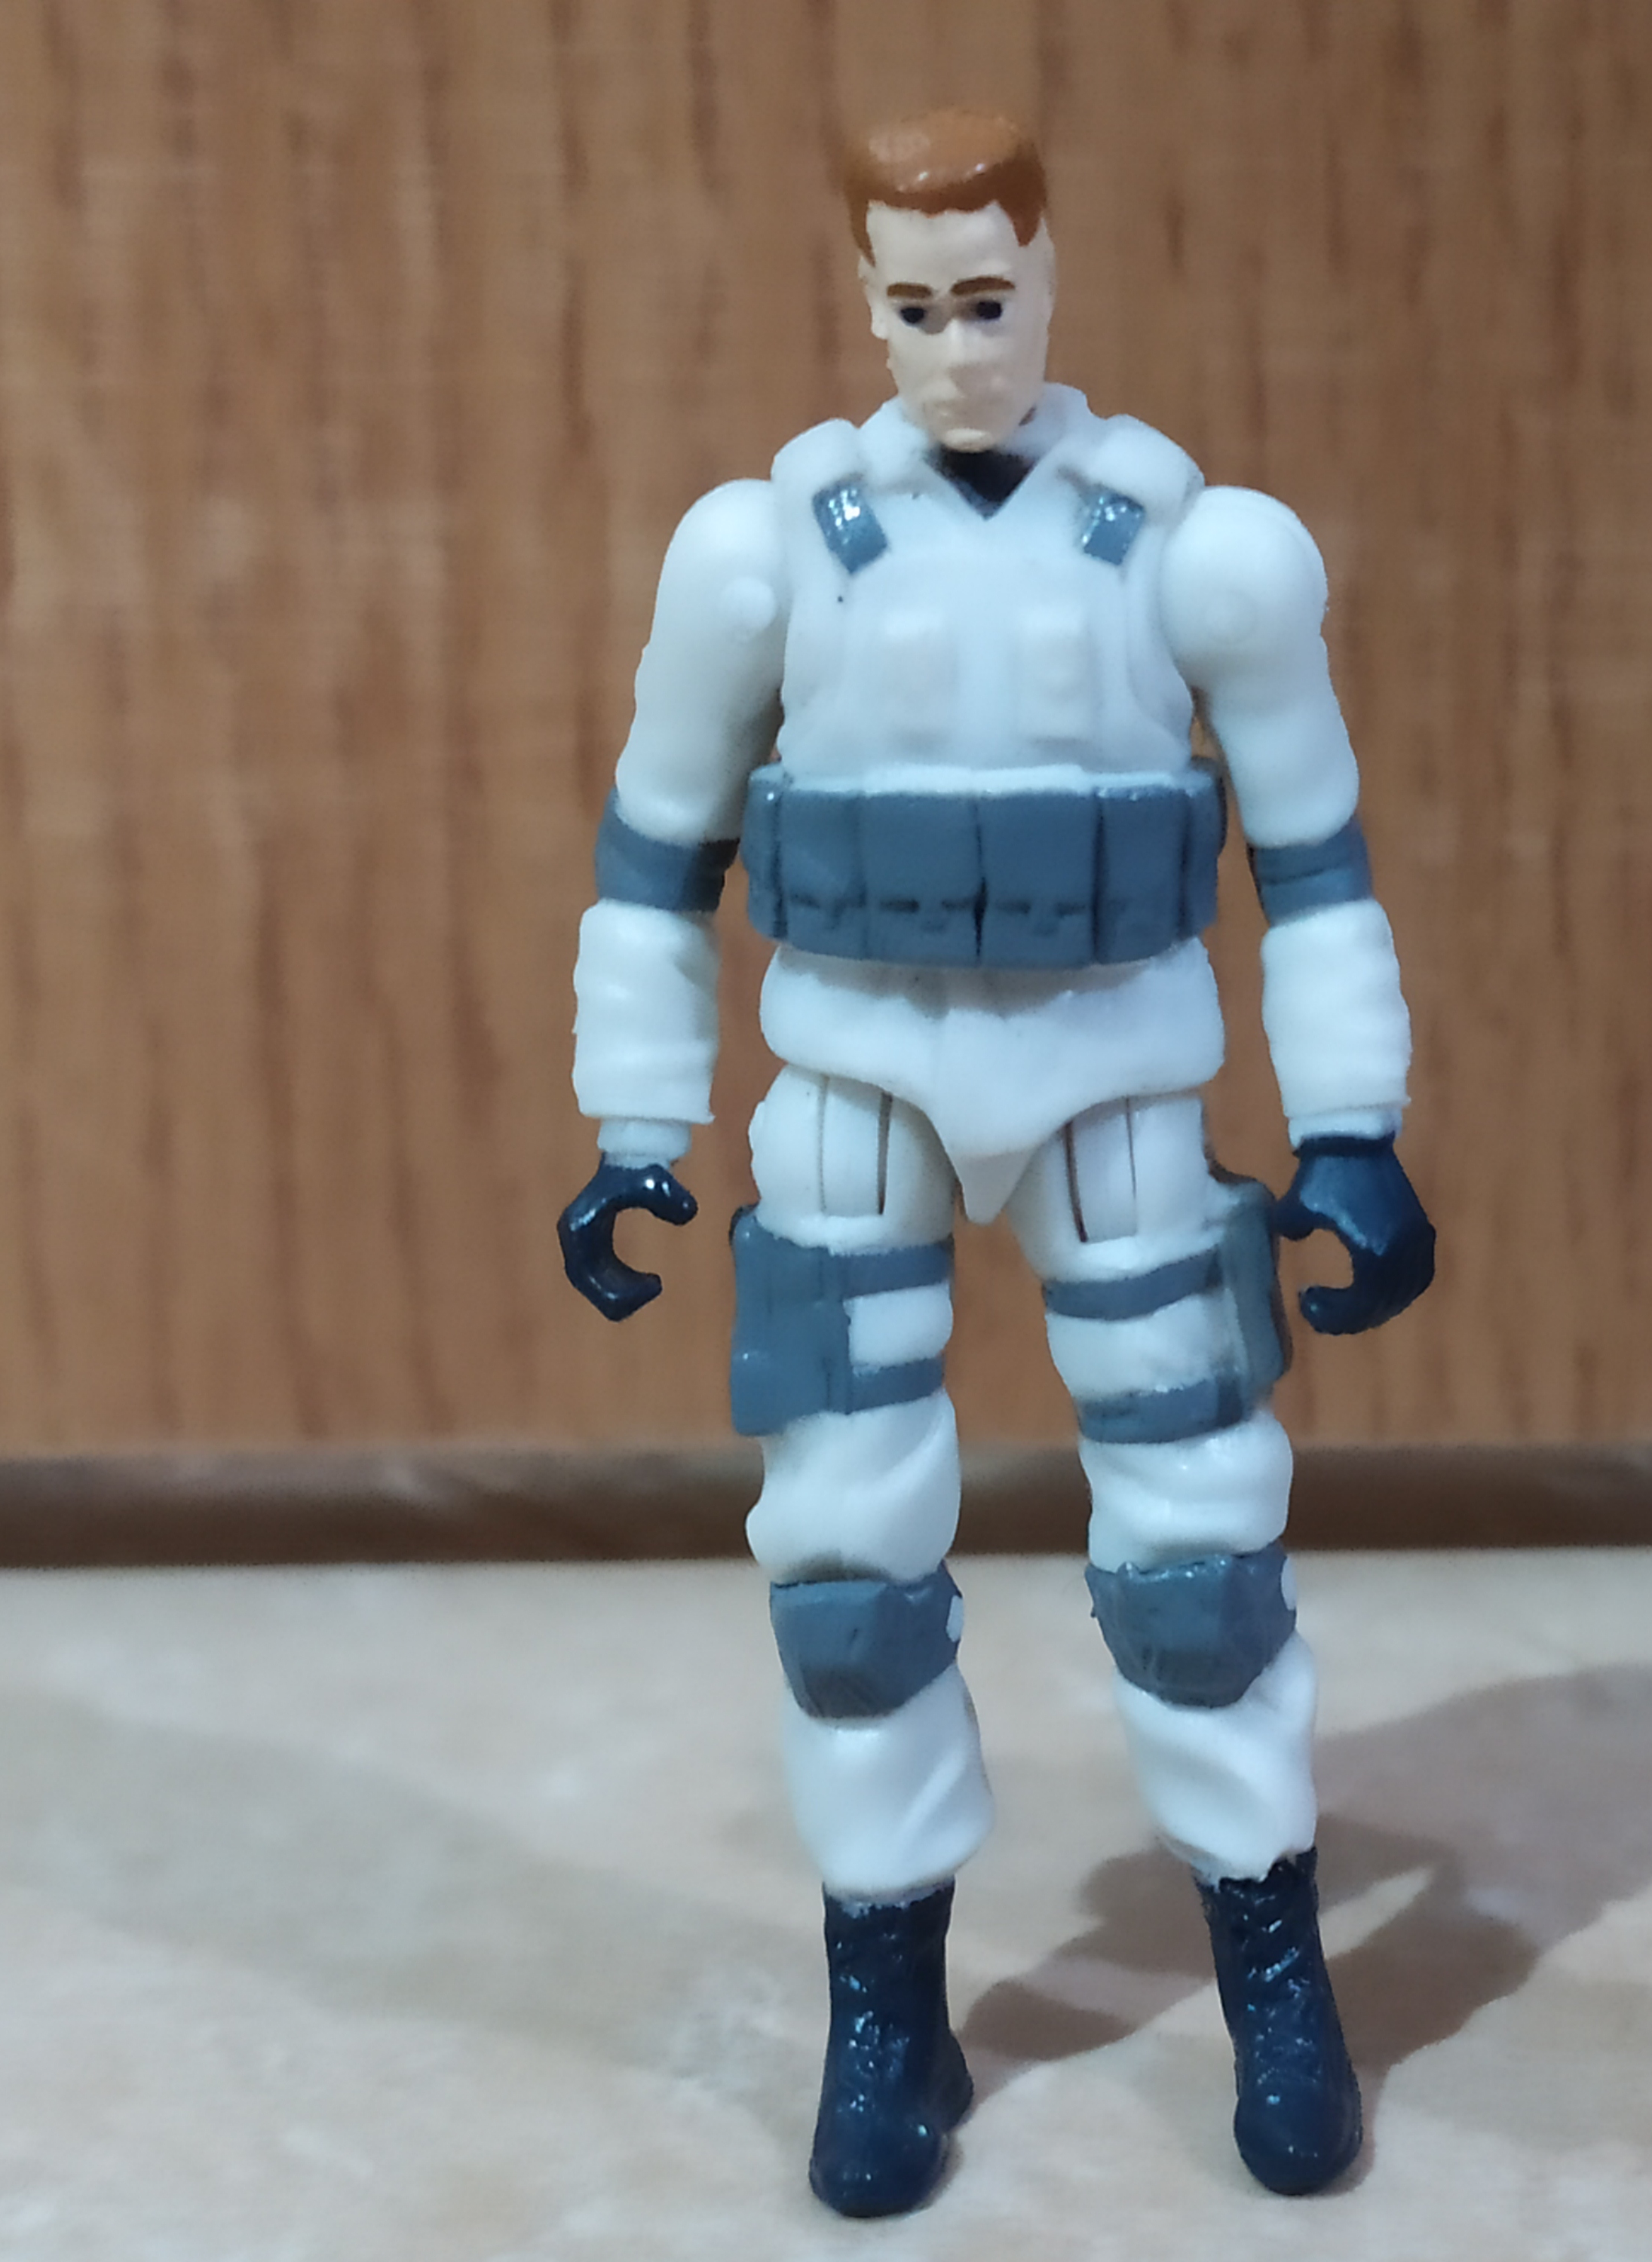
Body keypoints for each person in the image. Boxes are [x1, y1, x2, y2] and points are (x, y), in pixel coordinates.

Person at [556, 108, 1433, 2217]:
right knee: (846, 1576)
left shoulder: (1198, 550)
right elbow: (657, 854)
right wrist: (638, 1123)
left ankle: (1275, 1980)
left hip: (1116, 1083)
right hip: (854, 1084)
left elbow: (1315, 866)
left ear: (1048, 281)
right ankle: (887, 2014)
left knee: (1200, 1560)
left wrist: (1353, 1127)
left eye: (991, 301)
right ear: (865, 300)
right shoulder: (762, 549)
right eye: (917, 306)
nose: (959, 350)